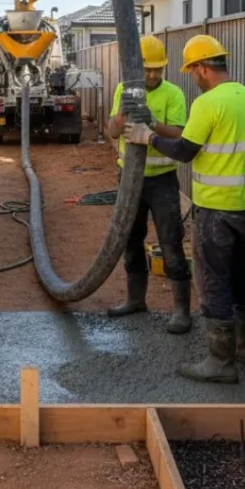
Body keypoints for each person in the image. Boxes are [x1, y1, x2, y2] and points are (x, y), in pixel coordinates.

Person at [124, 34, 245, 384]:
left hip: (216, 209)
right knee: (241, 274)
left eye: (192, 71)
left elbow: (185, 151)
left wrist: (148, 137)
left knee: (213, 281)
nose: (193, 77)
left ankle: (220, 362)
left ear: (203, 68)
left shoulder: (207, 104)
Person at [105, 35, 192, 334]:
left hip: (162, 179)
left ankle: (182, 311)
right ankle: (135, 300)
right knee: (130, 239)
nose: (153, 74)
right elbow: (112, 131)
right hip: (129, 179)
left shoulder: (173, 94)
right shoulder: (123, 89)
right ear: (137, 67)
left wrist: (152, 122)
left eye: (158, 69)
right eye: (148, 69)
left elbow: (179, 134)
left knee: (170, 240)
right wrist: (122, 114)